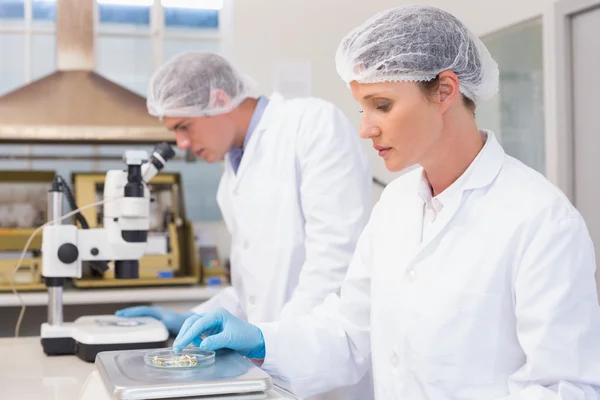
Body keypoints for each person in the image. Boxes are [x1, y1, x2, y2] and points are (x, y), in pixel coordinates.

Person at [171, 5, 600, 400]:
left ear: (445, 90)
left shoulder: (541, 219)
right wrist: (264, 340)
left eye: (382, 105)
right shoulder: (396, 203)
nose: (366, 129)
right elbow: (349, 333)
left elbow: (564, 386)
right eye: (362, 109)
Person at [115, 52, 374, 400]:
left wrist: (272, 343)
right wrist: (193, 319)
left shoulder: (312, 124)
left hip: (322, 373)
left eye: (183, 126)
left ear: (218, 99)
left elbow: (334, 264)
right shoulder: (231, 174)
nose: (182, 144)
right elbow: (250, 288)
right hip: (268, 371)